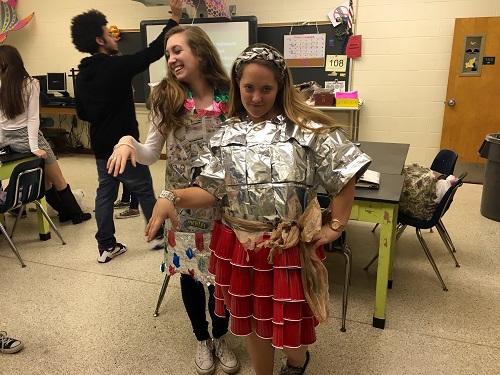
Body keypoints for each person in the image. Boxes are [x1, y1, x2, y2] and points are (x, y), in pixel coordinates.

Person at [137, 44, 372, 374]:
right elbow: (209, 190)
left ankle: (297, 362)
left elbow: (347, 169)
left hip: (287, 247)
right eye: (249, 88)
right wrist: (171, 197)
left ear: (280, 87)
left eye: (266, 88)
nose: (257, 97)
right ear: (237, 86)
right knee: (252, 322)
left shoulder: (305, 128)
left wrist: (337, 223)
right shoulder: (226, 135)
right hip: (241, 246)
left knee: (290, 329)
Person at [107, 25, 240, 375]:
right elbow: (151, 152)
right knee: (192, 276)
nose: (172, 58)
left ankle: (222, 335)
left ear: (200, 51)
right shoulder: (166, 97)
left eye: (178, 50)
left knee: (221, 275)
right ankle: (202, 339)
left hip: (225, 206)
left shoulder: (230, 94)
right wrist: (126, 141)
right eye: (168, 54)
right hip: (180, 204)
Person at [70, 1, 182, 263]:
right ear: (100, 40)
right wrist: (174, 19)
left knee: (105, 194)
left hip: (101, 145)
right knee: (143, 189)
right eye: (109, 34)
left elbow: (83, 113)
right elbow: (153, 52)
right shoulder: (116, 66)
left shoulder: (82, 74)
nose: (113, 38)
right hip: (126, 144)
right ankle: (157, 236)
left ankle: (106, 246)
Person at [0, 45, 91, 224]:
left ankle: (62, 212)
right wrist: (34, 147)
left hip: (5, 139)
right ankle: (75, 215)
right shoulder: (31, 84)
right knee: (57, 179)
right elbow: (33, 119)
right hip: (27, 138)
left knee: (46, 180)